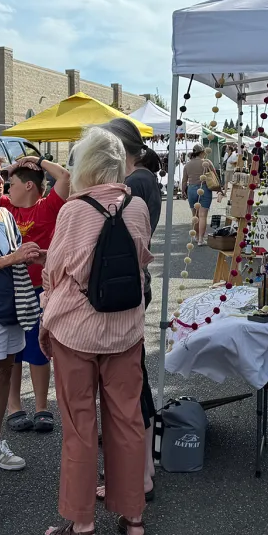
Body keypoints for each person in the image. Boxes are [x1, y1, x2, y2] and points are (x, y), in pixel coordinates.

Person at [40, 128, 153, 535]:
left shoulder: (73, 211)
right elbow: (142, 261)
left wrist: (48, 314)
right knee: (127, 421)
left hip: (75, 331)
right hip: (125, 330)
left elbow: (55, 271)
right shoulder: (137, 206)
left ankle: (82, 528)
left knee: (80, 426)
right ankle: (134, 517)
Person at [95, 118, 161, 507]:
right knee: (135, 374)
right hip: (137, 282)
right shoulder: (146, 180)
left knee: (130, 380)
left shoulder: (133, 185)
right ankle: (144, 469)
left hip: (125, 285)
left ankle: (139, 473)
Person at [0, 153, 43, 474]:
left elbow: (10, 260)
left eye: (2, 175)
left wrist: (28, 256)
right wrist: (14, 258)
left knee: (4, 374)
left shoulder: (4, 215)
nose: (0, 180)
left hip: (13, 307)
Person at [0, 155, 71, 434]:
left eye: (12, 184)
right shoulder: (5, 206)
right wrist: (9, 168)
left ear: (29, 186)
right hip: (12, 290)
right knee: (13, 351)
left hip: (41, 289)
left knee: (39, 349)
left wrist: (37, 160)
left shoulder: (48, 207)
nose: (7, 189)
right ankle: (14, 406)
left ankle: (42, 406)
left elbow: (64, 177)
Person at [183, 144, 216, 245]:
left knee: (195, 216)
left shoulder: (187, 165)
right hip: (204, 189)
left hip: (192, 189)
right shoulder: (207, 162)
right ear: (202, 152)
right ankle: (201, 239)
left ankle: (196, 236)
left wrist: (183, 191)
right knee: (202, 216)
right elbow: (214, 175)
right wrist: (220, 189)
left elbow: (184, 180)